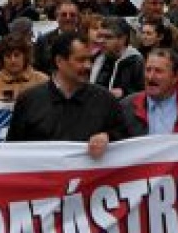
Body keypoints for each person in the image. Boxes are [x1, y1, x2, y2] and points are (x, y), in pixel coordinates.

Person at [7, 34, 137, 157]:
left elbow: (127, 144)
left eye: (90, 60)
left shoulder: (106, 101)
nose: (88, 66)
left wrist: (108, 137)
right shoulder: (28, 101)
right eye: (81, 60)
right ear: (59, 61)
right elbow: (13, 152)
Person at [0, 33, 49, 102]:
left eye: (17, 55)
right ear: (2, 59)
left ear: (25, 57)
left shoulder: (43, 80)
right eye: (8, 56)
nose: (13, 60)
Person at [90, 19, 144, 98]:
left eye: (108, 37)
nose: (101, 41)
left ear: (122, 39)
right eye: (100, 36)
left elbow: (142, 93)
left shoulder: (135, 61)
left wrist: (124, 93)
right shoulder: (95, 57)